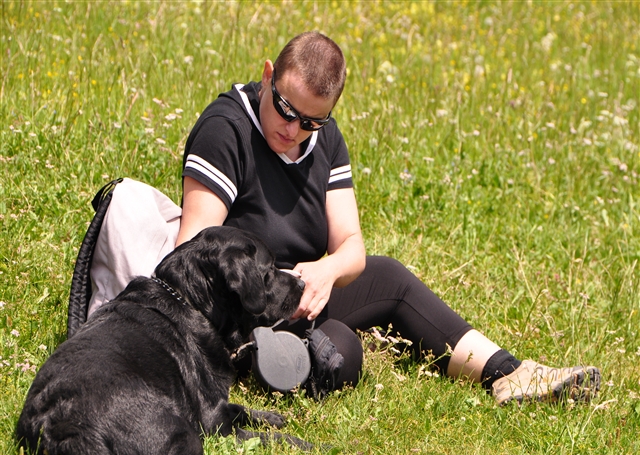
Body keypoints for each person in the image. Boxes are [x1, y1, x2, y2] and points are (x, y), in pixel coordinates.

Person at [176, 31, 600, 405]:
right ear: (267, 76)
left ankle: (510, 373)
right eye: (286, 109)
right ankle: (260, 357)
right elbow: (194, 253)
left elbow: (352, 245)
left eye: (310, 121)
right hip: (243, 303)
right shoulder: (227, 128)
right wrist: (253, 310)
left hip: (302, 291)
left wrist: (327, 271)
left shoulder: (325, 139)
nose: (292, 129)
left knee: (389, 276)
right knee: (341, 353)